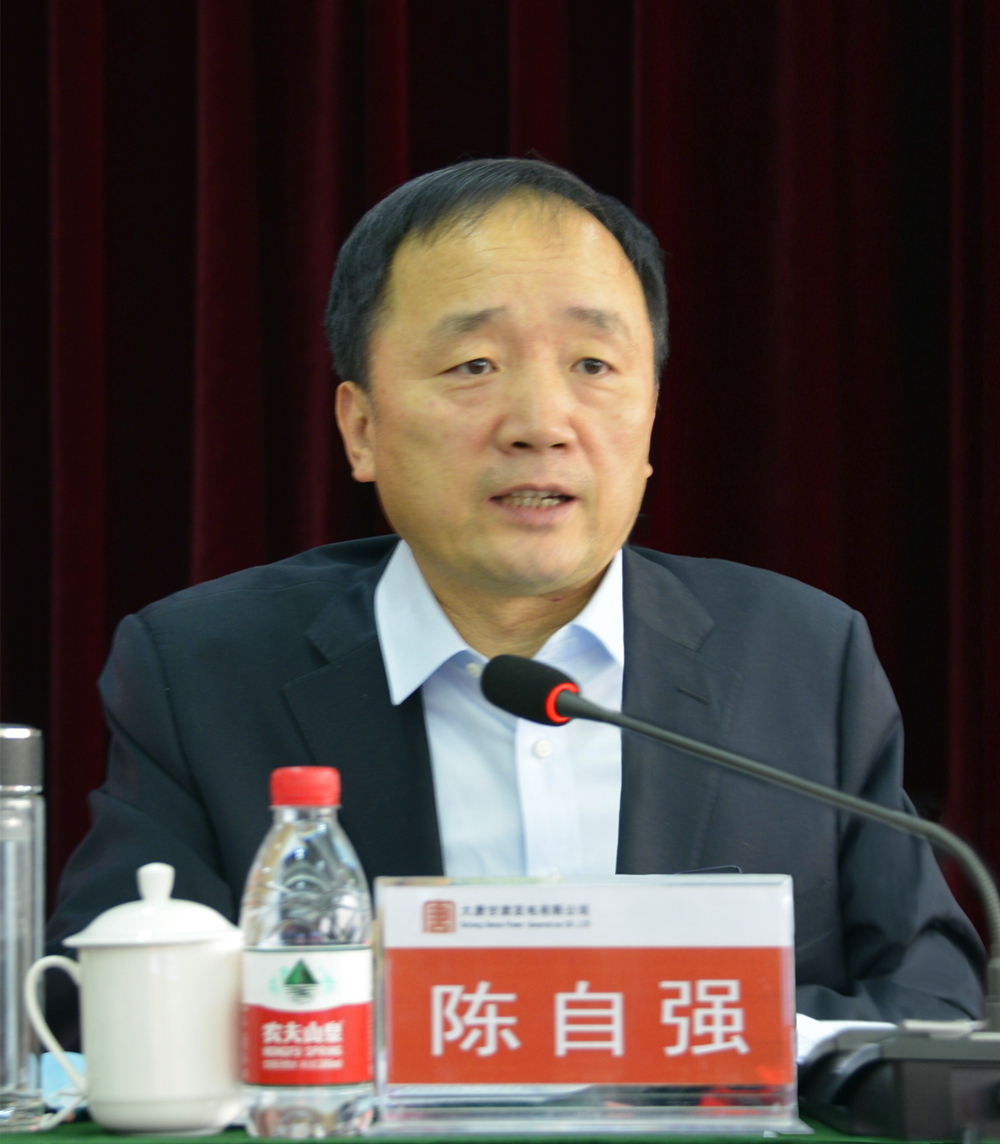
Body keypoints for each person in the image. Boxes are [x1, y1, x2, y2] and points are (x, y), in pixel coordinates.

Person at [46, 159, 983, 1045]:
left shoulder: (801, 656)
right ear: (361, 428)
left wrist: (651, 1036)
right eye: (473, 366)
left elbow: (932, 1004)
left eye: (594, 365)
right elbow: (103, 1015)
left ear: (652, 418)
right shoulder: (203, 672)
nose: (542, 424)